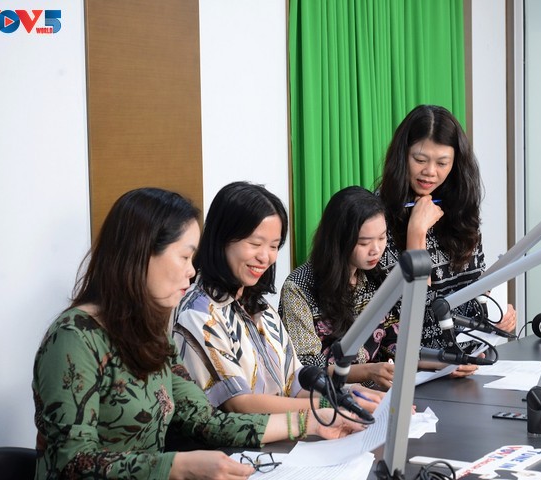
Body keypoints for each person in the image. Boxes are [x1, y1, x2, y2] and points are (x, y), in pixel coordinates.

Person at [32, 187, 362, 480]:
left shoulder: (150, 333)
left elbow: (205, 421)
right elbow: (72, 461)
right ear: (142, 254)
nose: (192, 271)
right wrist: (176, 466)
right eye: (185, 256)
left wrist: (312, 423)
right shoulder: (75, 337)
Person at [172, 182, 382, 416]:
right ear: (222, 239)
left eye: (273, 246)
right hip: (256, 437)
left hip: (292, 429)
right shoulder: (199, 313)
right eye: (255, 244)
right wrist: (332, 405)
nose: (266, 257)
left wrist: (349, 395)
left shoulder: (260, 307)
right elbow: (239, 404)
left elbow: (296, 382)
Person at [376, 104, 517, 376]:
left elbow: (475, 288)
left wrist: (496, 318)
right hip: (421, 371)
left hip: (471, 360)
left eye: (442, 163)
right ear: (402, 156)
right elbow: (411, 319)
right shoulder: (379, 219)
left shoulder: (460, 210)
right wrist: (416, 233)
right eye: (420, 159)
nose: (430, 171)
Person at [279, 186, 397, 391]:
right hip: (330, 398)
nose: (376, 250)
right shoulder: (298, 287)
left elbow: (393, 341)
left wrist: (438, 363)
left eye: (382, 237)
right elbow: (306, 369)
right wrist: (368, 371)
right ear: (338, 239)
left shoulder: (375, 276)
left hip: (379, 393)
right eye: (364, 242)